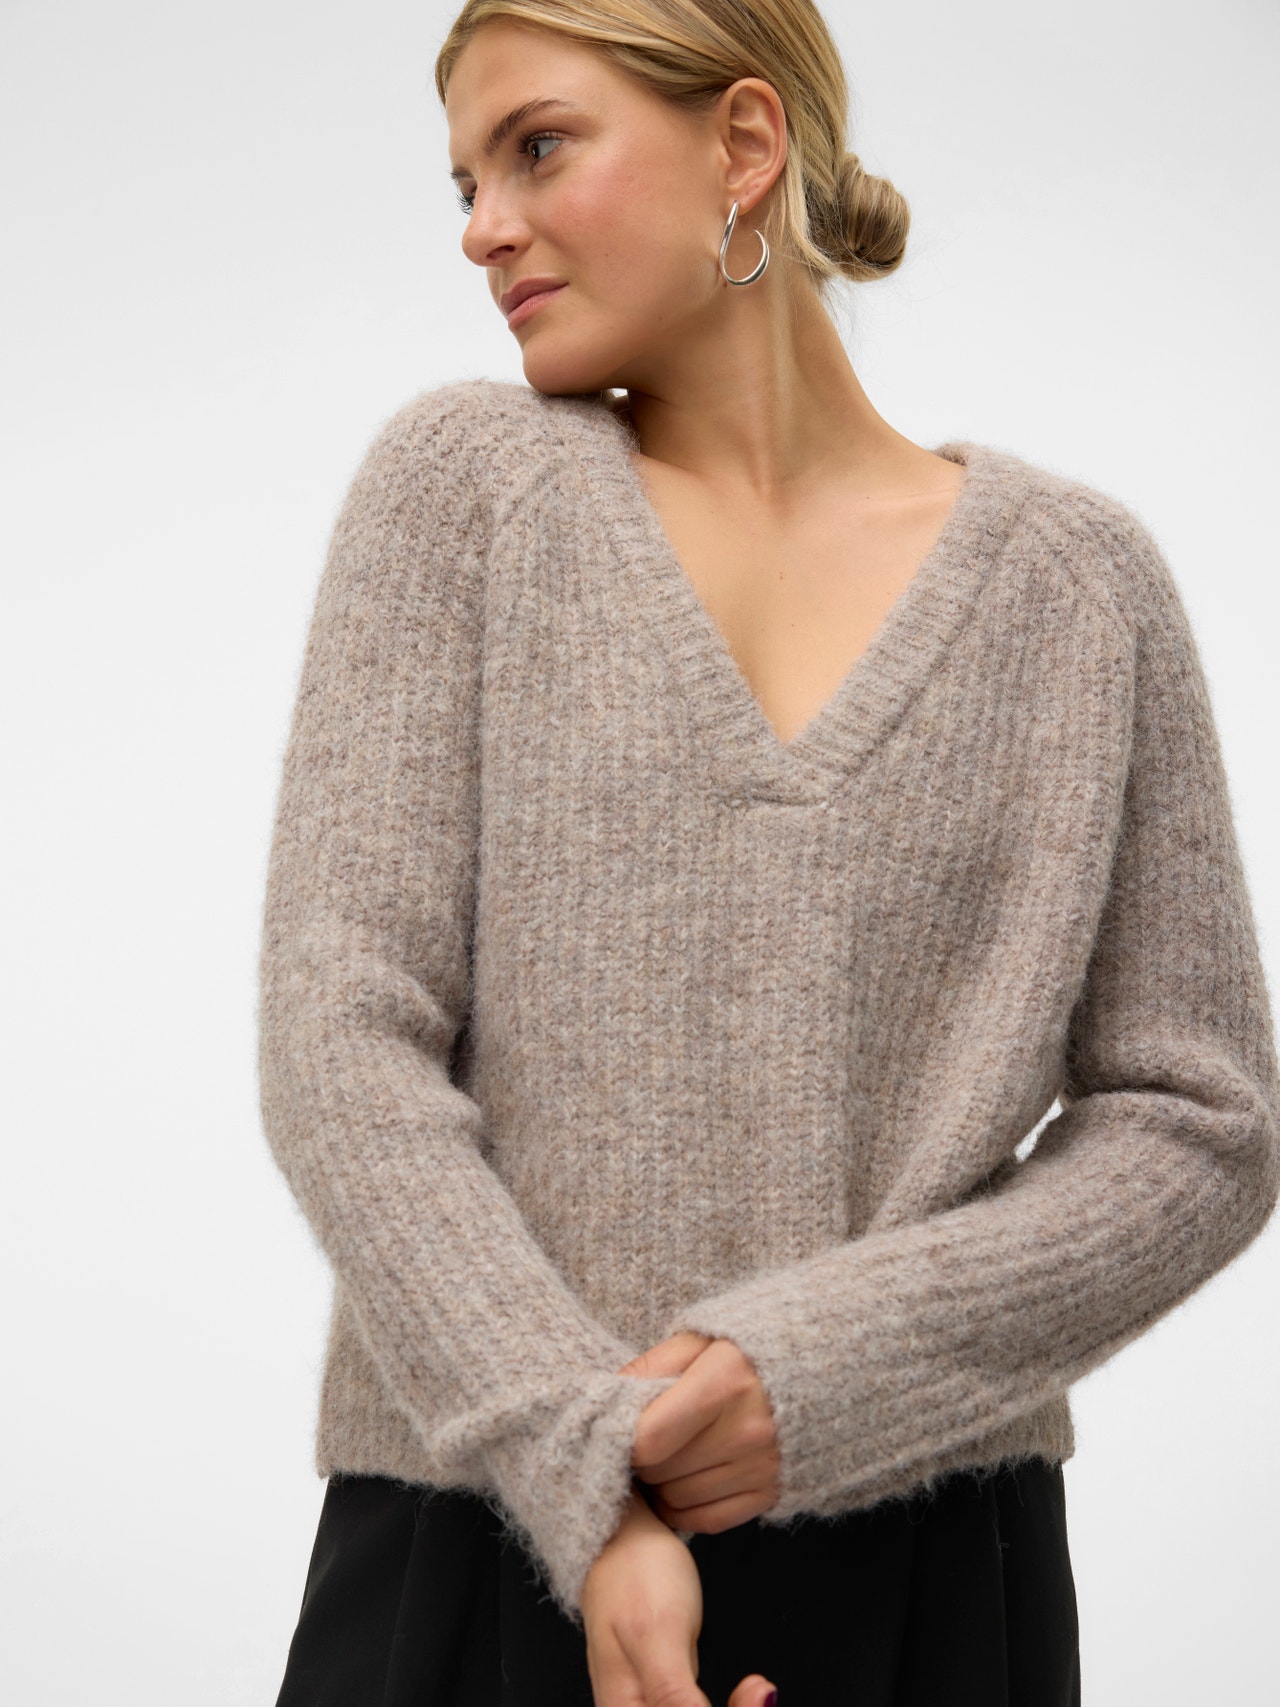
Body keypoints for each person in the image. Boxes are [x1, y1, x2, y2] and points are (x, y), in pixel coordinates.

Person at [259, 3, 1279, 1704]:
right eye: (463, 181)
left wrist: (820, 1373)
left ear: (743, 144)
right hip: (482, 1533)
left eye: (537, 147)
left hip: (927, 1568)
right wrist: (585, 1476)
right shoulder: (469, 493)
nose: (482, 227)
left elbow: (1203, 1117)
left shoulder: (1078, 592)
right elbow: (338, 1039)